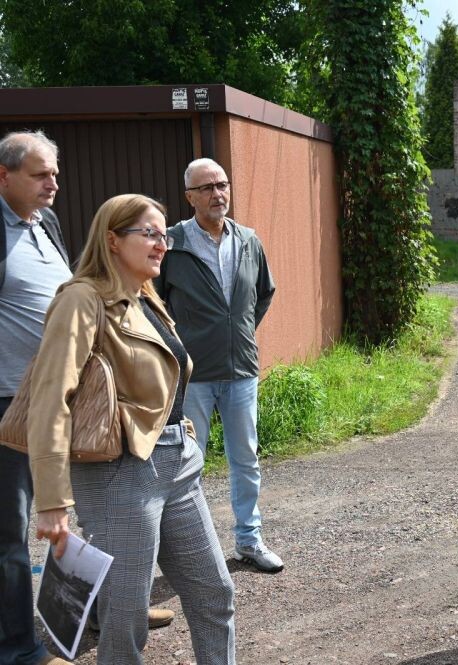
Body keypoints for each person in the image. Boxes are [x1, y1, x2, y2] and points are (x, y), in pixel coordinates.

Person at [30, 194, 236, 664]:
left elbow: (163, 381)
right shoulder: (82, 299)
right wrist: (52, 501)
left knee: (214, 595)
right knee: (124, 623)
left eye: (164, 235)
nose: (162, 243)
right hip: (120, 473)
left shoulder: (146, 298)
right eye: (149, 233)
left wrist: (181, 429)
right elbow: (49, 398)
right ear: (112, 240)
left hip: (177, 464)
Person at [153, 158, 281, 572]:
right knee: (189, 464)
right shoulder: (172, 243)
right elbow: (151, 301)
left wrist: (235, 331)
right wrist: (180, 345)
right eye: (206, 188)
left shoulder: (247, 240)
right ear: (189, 197)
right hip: (192, 375)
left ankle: (249, 540)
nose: (217, 194)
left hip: (241, 369)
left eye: (222, 185)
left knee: (246, 459)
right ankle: (194, 554)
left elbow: (262, 294)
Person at [0, 131, 73, 665]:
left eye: (54, 173)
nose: (53, 183)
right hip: (9, 405)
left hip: (62, 399)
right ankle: (17, 647)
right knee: (11, 534)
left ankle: (90, 613)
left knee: (81, 510)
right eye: (40, 174)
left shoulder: (46, 223)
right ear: (4, 176)